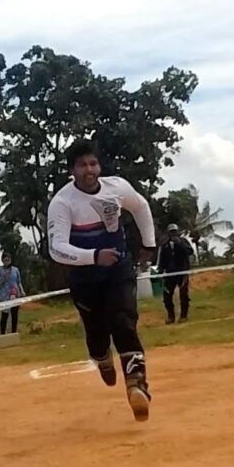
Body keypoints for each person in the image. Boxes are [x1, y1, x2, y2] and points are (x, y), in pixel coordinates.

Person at [47, 139, 156, 422]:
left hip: (118, 271)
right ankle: (102, 359)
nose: (89, 170)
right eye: (82, 165)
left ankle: (137, 384)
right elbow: (57, 248)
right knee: (96, 335)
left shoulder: (116, 187)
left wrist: (149, 243)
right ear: (72, 170)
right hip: (84, 278)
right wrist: (93, 256)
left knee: (123, 321)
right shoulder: (62, 203)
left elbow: (141, 206)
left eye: (93, 163)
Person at [156, 224, 195, 324]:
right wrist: (160, 271)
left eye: (174, 232)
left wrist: (180, 244)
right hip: (170, 273)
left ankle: (183, 316)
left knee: (183, 294)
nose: (173, 234)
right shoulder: (164, 244)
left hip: (182, 272)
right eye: (171, 232)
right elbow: (162, 259)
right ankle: (171, 316)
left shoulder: (183, 241)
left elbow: (190, 252)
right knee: (167, 296)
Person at [0, 253, 24, 335]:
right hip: (4, 296)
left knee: (14, 315)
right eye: (5, 260)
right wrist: (5, 277)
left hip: (15, 295)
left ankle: (14, 332)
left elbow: (19, 282)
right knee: (4, 315)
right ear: (2, 261)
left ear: (10, 260)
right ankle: (3, 333)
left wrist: (22, 291)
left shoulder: (15, 270)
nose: (6, 262)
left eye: (8, 260)